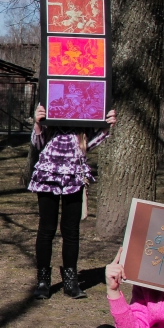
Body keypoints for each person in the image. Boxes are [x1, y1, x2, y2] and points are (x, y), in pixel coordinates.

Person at [28, 104, 117, 299]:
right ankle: (43, 281)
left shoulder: (84, 118)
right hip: (48, 173)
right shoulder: (51, 105)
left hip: (74, 175)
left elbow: (90, 145)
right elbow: (38, 143)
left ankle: (71, 280)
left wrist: (106, 127)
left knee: (71, 229)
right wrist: (38, 122)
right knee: (46, 228)